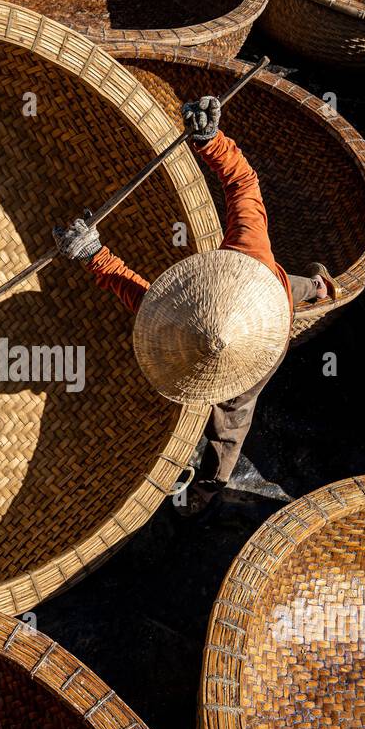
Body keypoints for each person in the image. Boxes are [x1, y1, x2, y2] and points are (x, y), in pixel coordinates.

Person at [54, 95, 339, 517]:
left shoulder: (190, 318)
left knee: (233, 420)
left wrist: (95, 253)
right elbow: (242, 183)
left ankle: (208, 489)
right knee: (291, 287)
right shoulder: (252, 255)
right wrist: (210, 140)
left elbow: (136, 293)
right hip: (272, 294)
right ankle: (319, 288)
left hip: (261, 347)